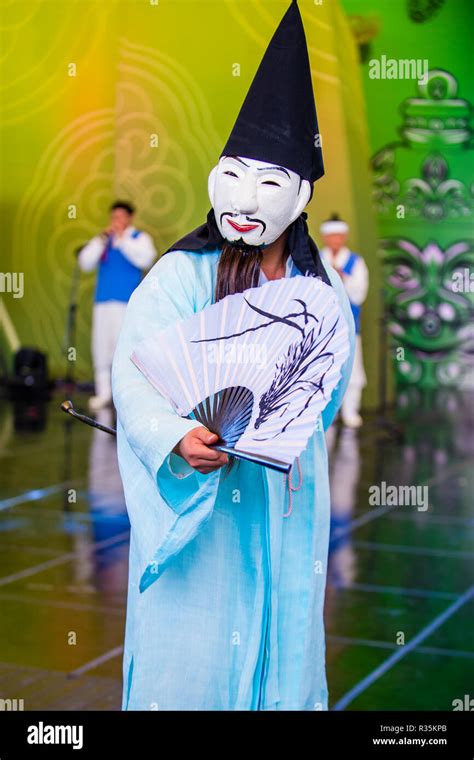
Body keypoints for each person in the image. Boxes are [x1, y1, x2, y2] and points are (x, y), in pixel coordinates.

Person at [112, 0, 355, 711]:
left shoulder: (321, 285)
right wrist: (175, 435)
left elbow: (329, 384)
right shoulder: (181, 275)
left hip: (284, 503)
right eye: (235, 176)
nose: (248, 202)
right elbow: (135, 377)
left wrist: (286, 424)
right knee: (191, 668)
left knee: (284, 657)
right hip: (205, 506)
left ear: (301, 194)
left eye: (270, 183)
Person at [78, 201, 156, 411]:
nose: (117, 221)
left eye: (121, 217)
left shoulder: (139, 238)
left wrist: (122, 240)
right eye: (114, 217)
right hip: (103, 303)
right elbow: (85, 262)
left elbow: (146, 260)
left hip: (125, 304)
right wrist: (101, 241)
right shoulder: (104, 240)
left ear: (129, 218)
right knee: (101, 348)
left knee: (124, 348)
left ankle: (127, 395)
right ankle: (103, 393)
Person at [320, 215, 369, 428]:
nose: (335, 240)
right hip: (321, 326)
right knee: (322, 370)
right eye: (331, 236)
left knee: (353, 368)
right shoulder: (317, 257)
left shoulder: (355, 262)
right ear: (325, 237)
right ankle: (325, 413)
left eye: (339, 235)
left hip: (348, 325)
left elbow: (359, 293)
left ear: (345, 236)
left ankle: (350, 411)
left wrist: (343, 278)